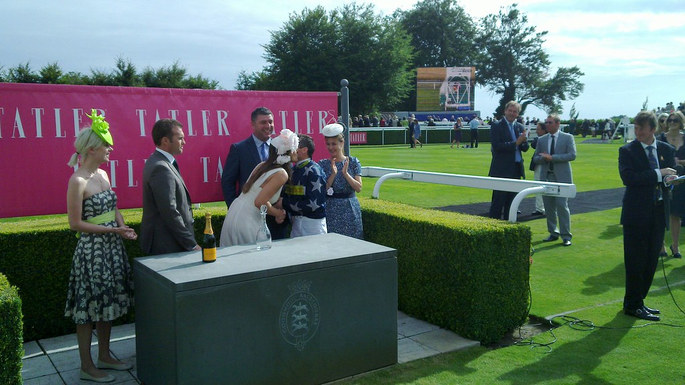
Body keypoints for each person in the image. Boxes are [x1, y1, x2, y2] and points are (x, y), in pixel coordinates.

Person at [65, 110, 136, 383]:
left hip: (111, 248)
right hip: (91, 253)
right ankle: (86, 366)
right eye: (106, 145)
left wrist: (122, 225)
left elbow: (113, 206)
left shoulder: (104, 175)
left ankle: (104, 356)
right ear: (92, 148)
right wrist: (114, 230)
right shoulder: (77, 181)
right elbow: (74, 224)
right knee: (87, 311)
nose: (110, 149)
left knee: (107, 305)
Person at [619, 111, 680, 321]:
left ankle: (638, 302)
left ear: (652, 130)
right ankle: (632, 304)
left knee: (651, 260)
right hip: (636, 214)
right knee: (635, 260)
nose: (637, 132)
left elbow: (666, 180)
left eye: (641, 128)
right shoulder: (627, 150)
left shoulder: (666, 149)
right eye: (635, 128)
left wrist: (671, 179)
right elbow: (629, 178)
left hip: (658, 212)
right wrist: (659, 173)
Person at [220, 129, 298, 246]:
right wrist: (277, 213)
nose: (297, 151)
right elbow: (259, 202)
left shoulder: (262, 165)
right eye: (295, 148)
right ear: (289, 152)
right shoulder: (281, 174)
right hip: (248, 220)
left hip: (234, 213)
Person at [221, 107, 288, 239]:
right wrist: (235, 208)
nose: (268, 126)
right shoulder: (239, 149)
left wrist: (280, 207)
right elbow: (227, 182)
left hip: (275, 219)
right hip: (249, 219)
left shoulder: (281, 149)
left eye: (271, 122)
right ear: (253, 124)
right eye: (263, 122)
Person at [140, 119, 200, 255]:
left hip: (170, 243)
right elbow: (169, 211)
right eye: (180, 138)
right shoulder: (161, 167)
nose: (184, 142)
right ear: (165, 141)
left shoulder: (159, 162)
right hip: (167, 245)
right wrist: (191, 244)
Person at [533, 113, 577, 246]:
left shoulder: (567, 138)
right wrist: (544, 158)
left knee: (562, 205)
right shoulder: (542, 140)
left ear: (558, 124)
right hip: (547, 176)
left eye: (550, 122)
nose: (547, 125)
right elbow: (535, 158)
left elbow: (572, 155)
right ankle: (553, 232)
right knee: (549, 206)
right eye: (546, 122)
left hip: (562, 177)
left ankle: (566, 235)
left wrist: (552, 157)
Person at [319, 123, 363, 239]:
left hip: (350, 208)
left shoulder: (353, 162)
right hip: (331, 209)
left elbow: (358, 188)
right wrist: (333, 174)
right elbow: (323, 190)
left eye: (334, 144)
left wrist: (345, 174)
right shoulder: (323, 164)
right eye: (328, 144)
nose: (330, 147)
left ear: (342, 143)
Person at [488, 101, 529, 220]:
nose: (512, 113)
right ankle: (493, 230)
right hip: (501, 170)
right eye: (510, 111)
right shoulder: (496, 125)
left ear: (518, 113)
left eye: (515, 111)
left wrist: (524, 141)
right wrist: (516, 142)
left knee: (512, 204)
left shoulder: (519, 127)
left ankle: (509, 229)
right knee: (498, 203)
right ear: (505, 111)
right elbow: (497, 146)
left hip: (516, 169)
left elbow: (524, 148)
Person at [282, 134, 328, 237]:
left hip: (312, 225)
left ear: (304, 150)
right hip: (296, 222)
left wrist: (284, 203)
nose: (290, 150)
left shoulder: (314, 170)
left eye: (294, 147)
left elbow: (315, 204)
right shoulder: (293, 170)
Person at [662, 111, 685, 258]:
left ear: (681, 121)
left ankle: (675, 247)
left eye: (675, 120)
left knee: (676, 215)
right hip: (664, 181)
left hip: (682, 181)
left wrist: (680, 162)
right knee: (661, 213)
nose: (672, 122)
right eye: (670, 120)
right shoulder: (660, 139)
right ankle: (661, 246)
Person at [529, 122, 547, 216]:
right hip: (540, 164)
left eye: (538, 129)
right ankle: (540, 207)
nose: (536, 131)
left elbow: (533, 144)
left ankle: (540, 208)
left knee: (539, 185)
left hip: (543, 164)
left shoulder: (544, 139)